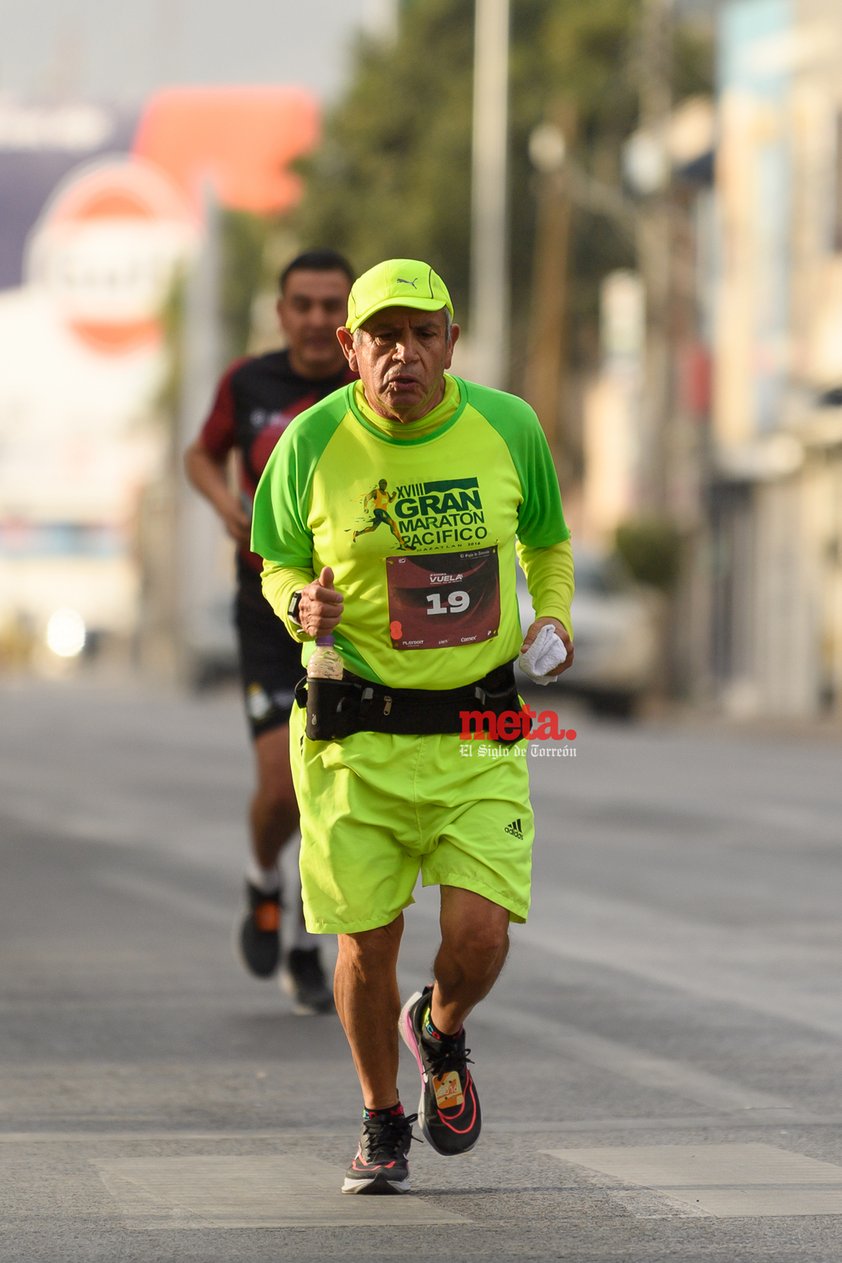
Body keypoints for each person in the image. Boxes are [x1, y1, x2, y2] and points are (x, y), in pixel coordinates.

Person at [251, 258, 575, 1191]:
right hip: (356, 736)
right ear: (349, 348)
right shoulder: (311, 443)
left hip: (480, 727)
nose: (404, 354)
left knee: (480, 937)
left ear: (451, 342)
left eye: (422, 335)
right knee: (367, 943)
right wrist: (296, 606)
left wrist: (550, 615)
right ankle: (383, 1116)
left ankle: (440, 1026)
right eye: (382, 337)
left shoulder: (509, 426)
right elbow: (274, 555)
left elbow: (546, 540)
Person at [184, 248, 357, 1015]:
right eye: (304, 304)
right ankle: (263, 879)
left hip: (355, 610)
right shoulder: (248, 383)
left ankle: (307, 944)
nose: (318, 319)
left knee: (340, 788)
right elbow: (199, 452)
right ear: (281, 312)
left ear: (349, 316)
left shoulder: (372, 385)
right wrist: (224, 501)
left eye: (332, 305)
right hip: (267, 605)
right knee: (282, 787)